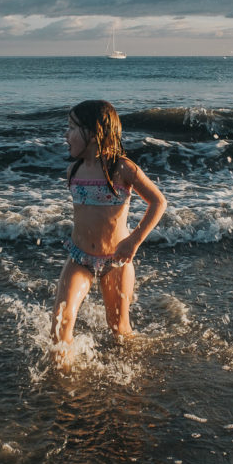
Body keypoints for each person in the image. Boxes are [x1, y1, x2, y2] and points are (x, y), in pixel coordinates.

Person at [52, 100, 167, 366]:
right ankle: (60, 378)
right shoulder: (74, 171)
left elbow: (158, 202)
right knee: (61, 322)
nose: (66, 135)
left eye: (72, 128)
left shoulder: (122, 168)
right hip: (79, 258)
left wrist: (134, 240)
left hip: (117, 261)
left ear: (94, 133)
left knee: (119, 329)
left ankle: (129, 375)